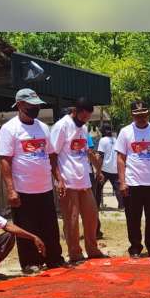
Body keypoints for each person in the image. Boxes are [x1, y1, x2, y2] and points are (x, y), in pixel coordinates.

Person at [0, 88, 66, 274]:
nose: (35, 109)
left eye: (37, 106)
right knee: (27, 227)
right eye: (30, 106)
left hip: (44, 187)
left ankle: (53, 258)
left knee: (49, 226)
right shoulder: (9, 129)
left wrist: (58, 179)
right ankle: (30, 262)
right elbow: (5, 160)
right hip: (23, 188)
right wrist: (11, 189)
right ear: (20, 105)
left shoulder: (43, 127)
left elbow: (51, 155)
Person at [50, 97, 107, 263]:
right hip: (67, 181)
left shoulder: (83, 127)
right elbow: (52, 155)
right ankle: (75, 253)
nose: (85, 120)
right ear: (74, 111)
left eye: (88, 117)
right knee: (72, 219)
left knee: (91, 216)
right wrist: (59, 180)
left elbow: (86, 150)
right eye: (83, 117)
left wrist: (98, 169)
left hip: (84, 180)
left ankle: (93, 249)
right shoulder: (61, 126)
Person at [115, 100, 150, 258]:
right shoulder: (125, 132)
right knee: (133, 218)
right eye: (137, 115)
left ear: (149, 113)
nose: (141, 118)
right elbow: (120, 158)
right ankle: (135, 247)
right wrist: (122, 182)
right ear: (132, 115)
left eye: (144, 115)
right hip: (132, 183)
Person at [96, 123, 123, 211]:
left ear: (103, 131)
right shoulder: (116, 139)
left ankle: (96, 206)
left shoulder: (103, 140)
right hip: (115, 168)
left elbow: (101, 156)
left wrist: (98, 171)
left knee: (98, 188)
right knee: (118, 189)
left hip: (105, 168)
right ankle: (121, 206)